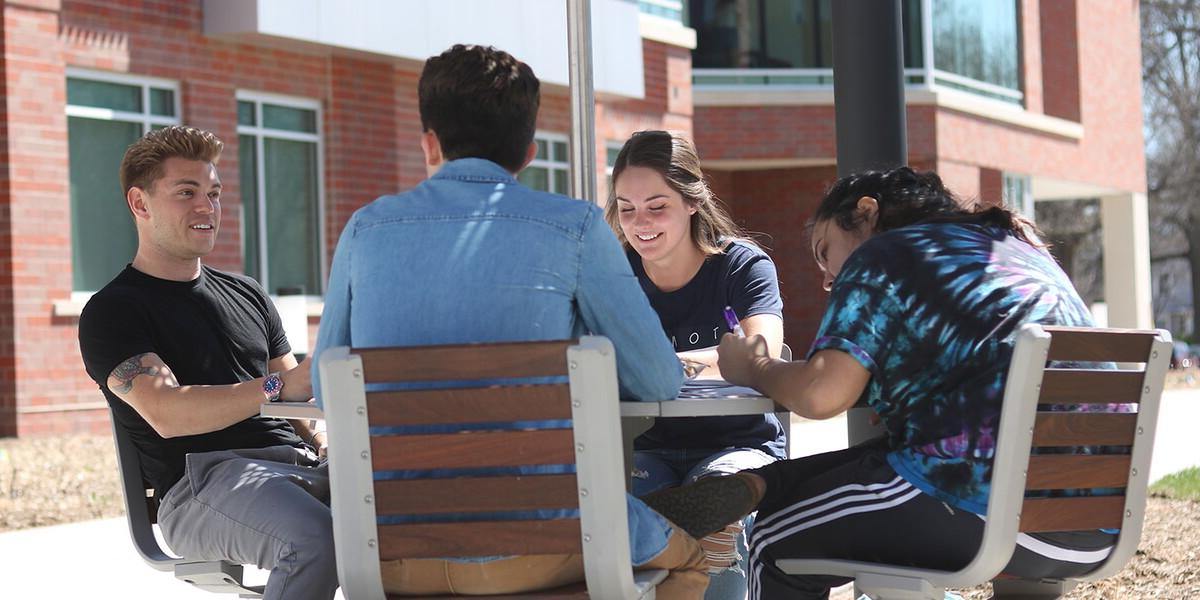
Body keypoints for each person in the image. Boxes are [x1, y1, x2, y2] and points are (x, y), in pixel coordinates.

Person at [311, 44, 707, 598]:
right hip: (540, 545)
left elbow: (327, 392)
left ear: (429, 143)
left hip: (392, 556)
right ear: (528, 151)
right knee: (694, 560)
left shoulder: (363, 232)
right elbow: (659, 381)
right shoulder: (575, 228)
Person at [643, 166, 1117, 599]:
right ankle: (758, 482)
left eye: (825, 251)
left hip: (981, 508)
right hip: (1092, 522)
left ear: (866, 212)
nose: (828, 279)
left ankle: (754, 495)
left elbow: (820, 395)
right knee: (876, 461)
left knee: (775, 535)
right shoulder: (1017, 246)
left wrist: (755, 369)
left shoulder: (887, 252)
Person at [78, 126, 335, 600]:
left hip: (298, 467)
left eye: (213, 193)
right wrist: (278, 388)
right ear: (140, 204)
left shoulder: (248, 293)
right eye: (186, 193)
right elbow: (169, 412)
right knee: (316, 539)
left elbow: (303, 399)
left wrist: (325, 445)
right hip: (203, 484)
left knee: (417, 515)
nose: (207, 207)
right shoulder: (114, 309)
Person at [605, 129, 785, 599]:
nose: (639, 221)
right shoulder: (611, 274)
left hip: (737, 442)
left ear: (692, 201)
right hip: (645, 447)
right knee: (623, 518)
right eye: (627, 208)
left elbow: (761, 349)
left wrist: (662, 364)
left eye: (657, 205)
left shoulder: (742, 265)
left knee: (719, 518)